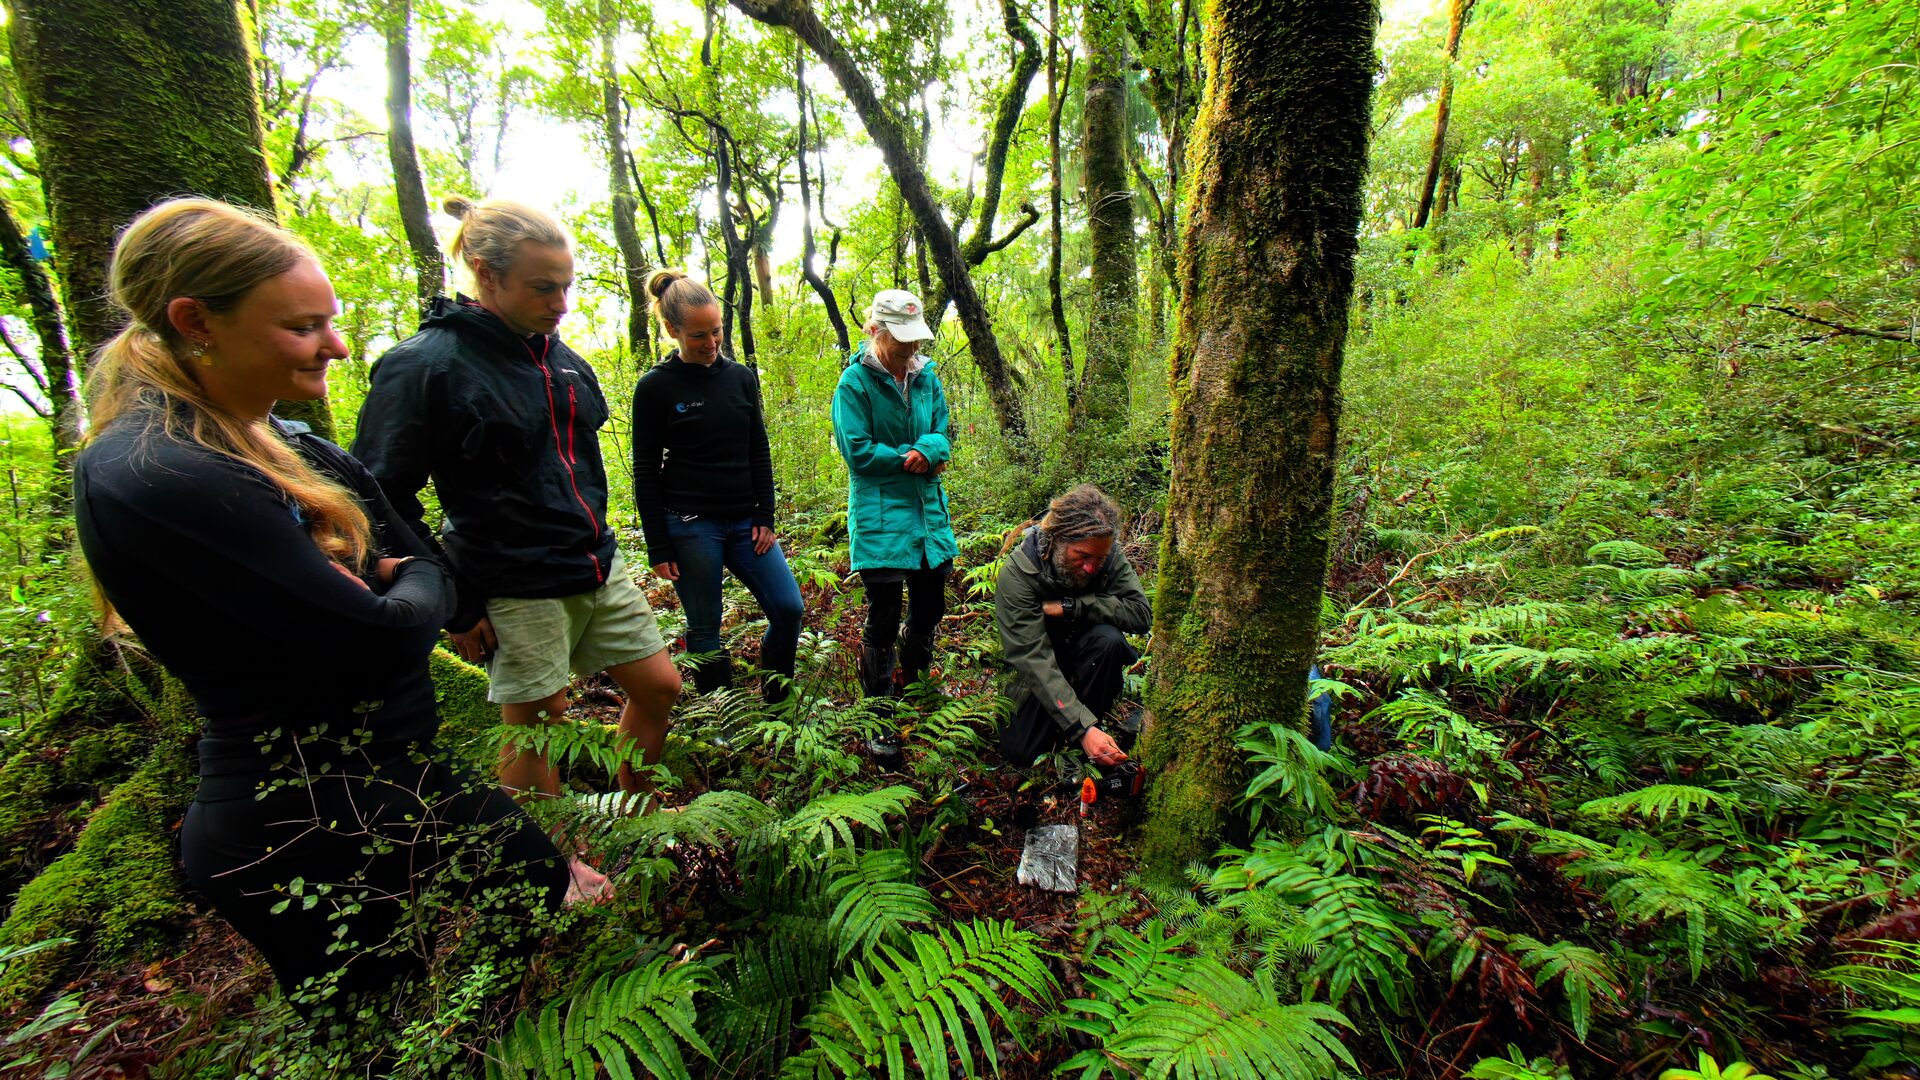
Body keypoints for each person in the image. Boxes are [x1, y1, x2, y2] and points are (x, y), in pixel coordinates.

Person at [72, 198, 571, 1013]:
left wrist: (401, 576)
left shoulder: (284, 444)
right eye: (304, 328)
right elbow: (384, 634)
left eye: (331, 322)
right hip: (291, 823)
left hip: (389, 774)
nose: (337, 346)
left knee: (536, 888)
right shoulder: (159, 471)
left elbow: (418, 559)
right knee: (373, 1024)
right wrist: (398, 580)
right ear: (197, 321)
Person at [354, 197, 680, 833]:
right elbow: (378, 493)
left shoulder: (559, 358)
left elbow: (578, 466)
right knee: (538, 730)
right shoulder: (426, 366)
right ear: (484, 271)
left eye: (565, 286)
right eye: (541, 287)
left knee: (659, 686)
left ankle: (643, 817)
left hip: (593, 562)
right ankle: (555, 865)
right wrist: (459, 600)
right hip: (511, 579)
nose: (559, 303)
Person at [630, 270, 804, 700]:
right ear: (672, 331)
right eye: (698, 336)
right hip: (689, 525)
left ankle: (777, 699)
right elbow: (646, 470)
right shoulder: (655, 387)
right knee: (705, 626)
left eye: (717, 332)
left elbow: (757, 448)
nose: (710, 344)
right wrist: (658, 544)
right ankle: (721, 715)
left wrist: (766, 514)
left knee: (788, 608)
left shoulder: (740, 377)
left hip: (745, 520)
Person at [832, 289, 958, 759]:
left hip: (927, 511)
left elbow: (943, 432)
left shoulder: (927, 378)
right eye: (899, 341)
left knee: (930, 606)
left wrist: (929, 450)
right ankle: (877, 713)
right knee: (883, 614)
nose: (909, 351)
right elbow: (857, 452)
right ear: (874, 332)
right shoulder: (854, 384)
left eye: (914, 341)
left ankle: (916, 685)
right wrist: (911, 458)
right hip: (880, 513)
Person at [996, 485, 1151, 767]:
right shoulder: (1018, 575)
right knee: (1022, 753)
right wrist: (1082, 728)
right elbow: (1034, 660)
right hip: (1040, 667)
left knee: (1109, 641)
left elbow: (1141, 614)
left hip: (1087, 658)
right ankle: (1083, 730)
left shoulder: (1107, 553)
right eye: (1082, 556)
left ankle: (1089, 729)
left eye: (1099, 559)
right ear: (1056, 539)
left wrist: (1074, 607)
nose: (1092, 567)